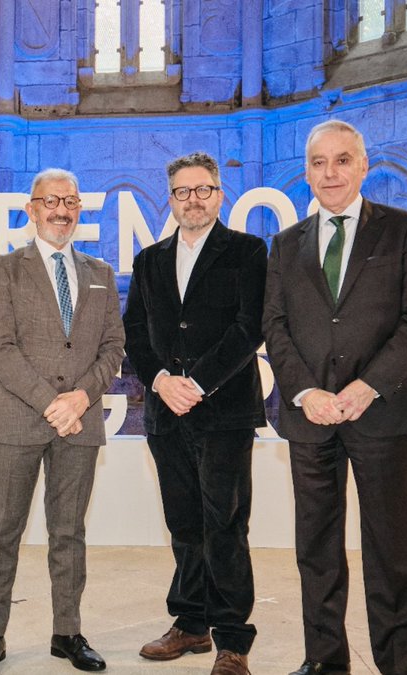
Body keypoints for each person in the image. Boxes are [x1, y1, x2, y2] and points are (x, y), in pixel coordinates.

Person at [262, 119, 407, 675]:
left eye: (341, 160)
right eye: (318, 162)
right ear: (306, 171)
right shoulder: (286, 244)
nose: (329, 172)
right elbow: (276, 325)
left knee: (391, 549)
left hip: (381, 413)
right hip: (311, 418)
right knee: (317, 550)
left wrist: (368, 386)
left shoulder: (402, 229)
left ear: (364, 166)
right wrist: (305, 391)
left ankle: (396, 665)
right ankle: (325, 662)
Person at [0, 168, 125, 674]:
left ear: (80, 209)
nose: (62, 210)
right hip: (17, 420)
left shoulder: (100, 270)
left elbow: (113, 347)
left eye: (71, 202)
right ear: (32, 209)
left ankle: (68, 633)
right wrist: (50, 401)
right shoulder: (3, 269)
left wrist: (80, 397)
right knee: (4, 530)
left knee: (69, 532)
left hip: (80, 423)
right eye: (51, 201)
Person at [123, 151, 268, 675]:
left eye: (203, 189)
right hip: (166, 413)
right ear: (171, 197)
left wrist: (198, 383)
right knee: (183, 523)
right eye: (183, 191)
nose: (193, 199)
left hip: (225, 412)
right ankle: (190, 624)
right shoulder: (149, 260)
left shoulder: (248, 251)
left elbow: (249, 328)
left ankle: (232, 641)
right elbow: (134, 333)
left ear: (218, 193)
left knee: (224, 524)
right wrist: (161, 381)